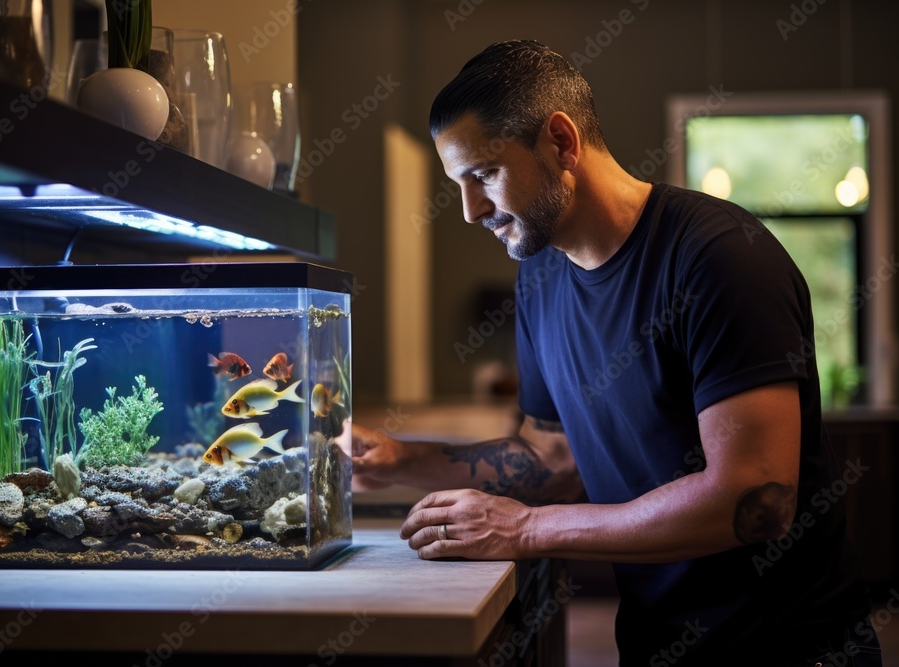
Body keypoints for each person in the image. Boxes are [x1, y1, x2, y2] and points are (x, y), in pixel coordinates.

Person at [346, 40, 882, 665]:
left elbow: (757, 502)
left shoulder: (721, 258)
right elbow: (553, 457)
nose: (469, 212)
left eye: (484, 175)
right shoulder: (541, 277)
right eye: (458, 184)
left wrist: (525, 529)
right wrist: (400, 459)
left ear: (562, 143)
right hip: (656, 643)